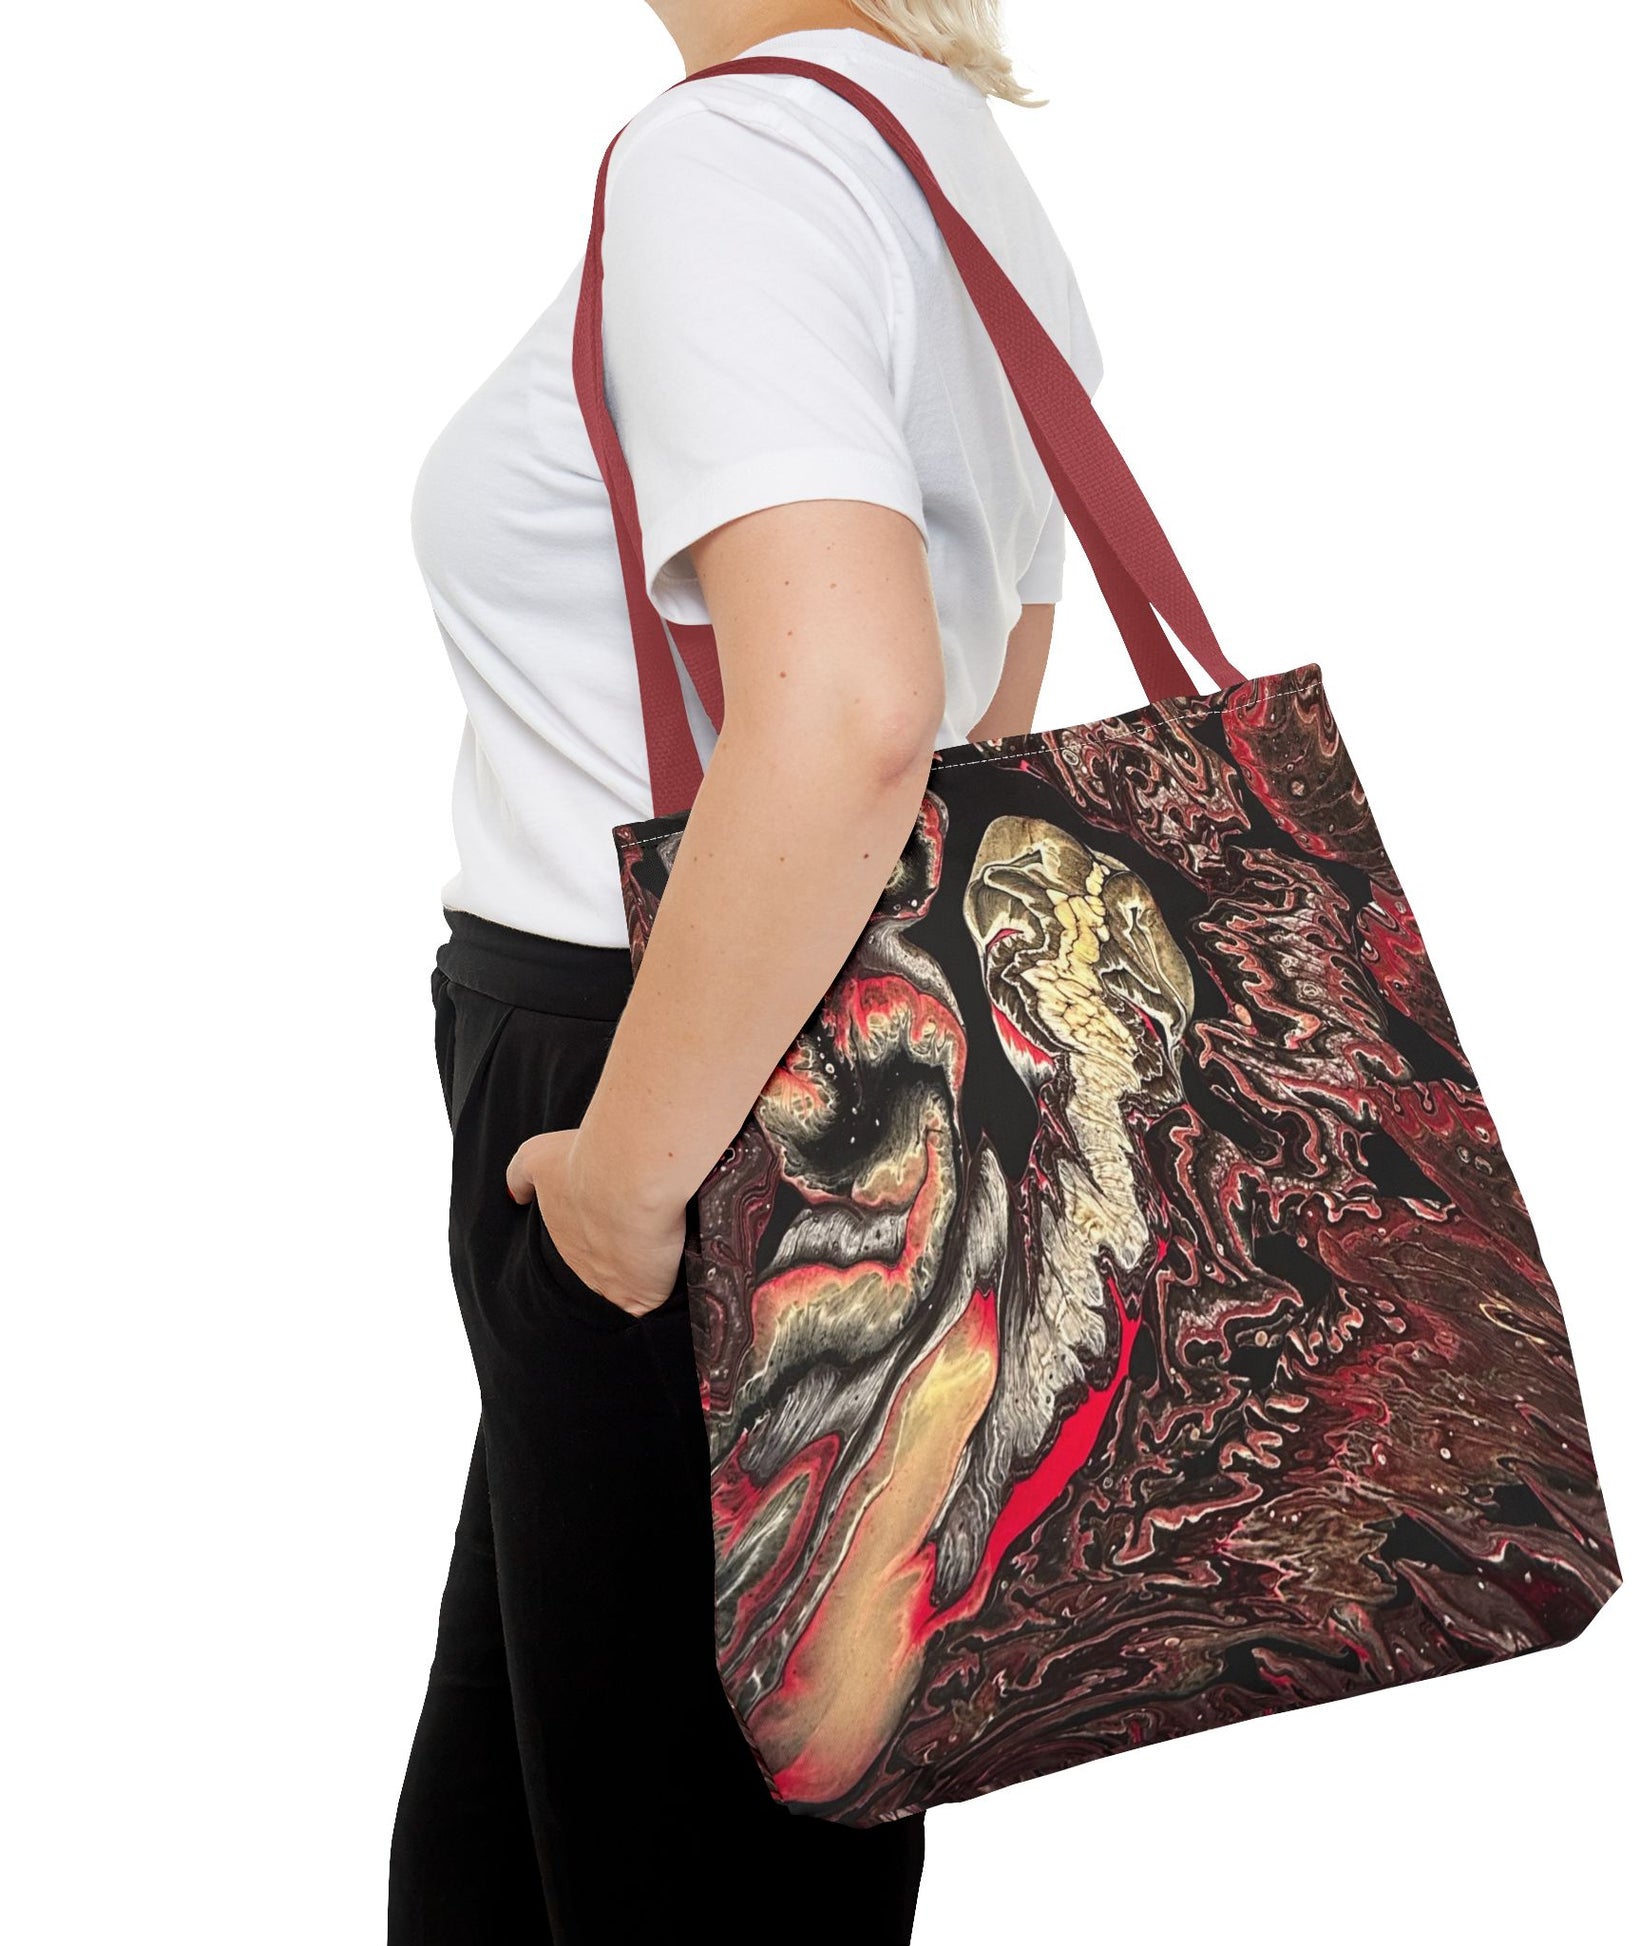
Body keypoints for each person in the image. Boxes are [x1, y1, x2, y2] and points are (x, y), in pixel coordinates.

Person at [389, 3, 1099, 1938]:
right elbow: (988, 694)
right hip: (798, 1052)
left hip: (661, 1086)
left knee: (663, 1870)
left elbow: (860, 709)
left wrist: (625, 1192)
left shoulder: (735, 159)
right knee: (545, 1843)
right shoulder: (936, 146)